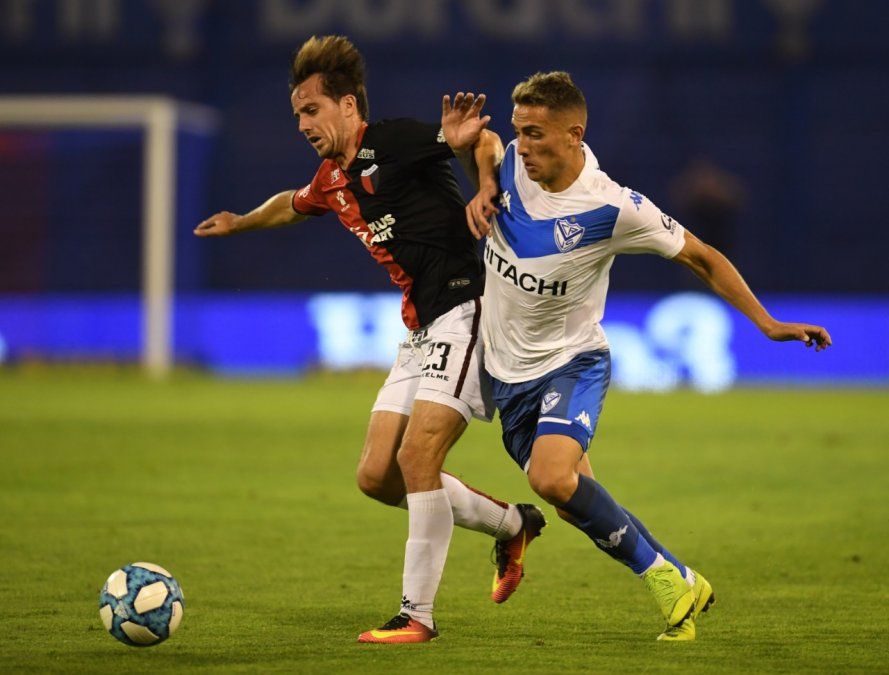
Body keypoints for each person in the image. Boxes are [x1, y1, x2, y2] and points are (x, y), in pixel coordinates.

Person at [442, 73, 831, 641]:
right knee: (579, 501)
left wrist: (767, 323)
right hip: (507, 376)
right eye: (520, 131)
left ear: (575, 134)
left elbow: (702, 257)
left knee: (553, 480)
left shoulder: (611, 207)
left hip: (572, 362)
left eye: (537, 135)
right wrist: (479, 177)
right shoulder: (511, 165)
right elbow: (485, 143)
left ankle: (664, 578)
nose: (523, 145)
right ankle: (682, 577)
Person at [195, 35, 547, 644]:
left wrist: (486, 182)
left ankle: (417, 615)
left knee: (418, 460)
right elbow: (293, 203)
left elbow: (481, 140)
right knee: (377, 477)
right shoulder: (332, 178)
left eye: (312, 110)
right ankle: (513, 523)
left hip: (468, 308)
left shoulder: (397, 142)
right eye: (297, 115)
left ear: (349, 105)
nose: (303, 123)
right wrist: (243, 221)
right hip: (419, 330)